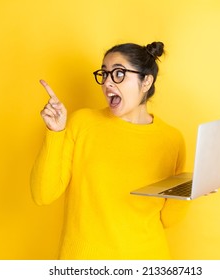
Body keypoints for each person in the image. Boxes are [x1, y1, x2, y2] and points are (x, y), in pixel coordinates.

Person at [30, 41, 189, 260]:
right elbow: (42, 195)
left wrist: (190, 187)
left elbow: (168, 220)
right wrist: (54, 132)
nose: (108, 83)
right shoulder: (82, 124)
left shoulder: (172, 139)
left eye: (119, 74)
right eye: (104, 74)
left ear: (146, 82)